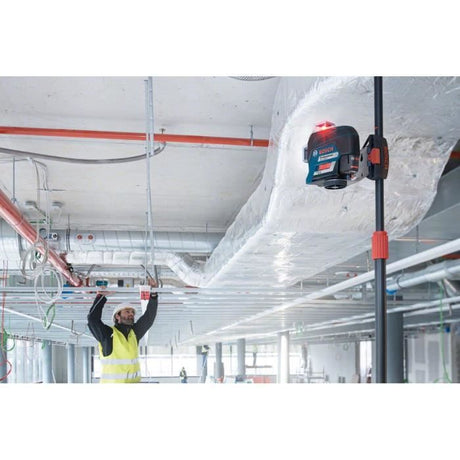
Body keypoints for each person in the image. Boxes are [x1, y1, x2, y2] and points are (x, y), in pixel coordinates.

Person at [87, 277, 158, 383]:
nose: (131, 314)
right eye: (127, 312)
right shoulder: (108, 335)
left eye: (132, 313)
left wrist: (153, 294)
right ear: (117, 316)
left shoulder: (134, 334)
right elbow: (92, 320)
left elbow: (149, 318)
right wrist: (100, 297)